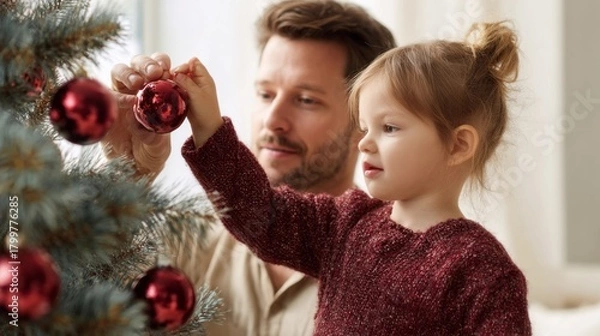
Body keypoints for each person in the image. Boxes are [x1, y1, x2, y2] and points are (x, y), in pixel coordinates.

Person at [165, 20, 532, 335]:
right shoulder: (345, 223)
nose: (366, 143)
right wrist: (208, 125)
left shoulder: (481, 271)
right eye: (363, 127)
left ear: (458, 145)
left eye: (388, 127)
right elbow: (259, 212)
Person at [102, 1, 396, 334]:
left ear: (366, 120)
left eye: (306, 100)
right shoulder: (190, 243)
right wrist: (125, 180)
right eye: (265, 93)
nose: (273, 120)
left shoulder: (393, 268)